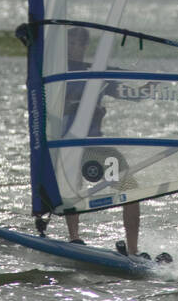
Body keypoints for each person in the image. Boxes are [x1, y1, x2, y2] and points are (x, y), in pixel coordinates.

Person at [62, 26, 146, 257]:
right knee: (71, 186)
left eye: (77, 44)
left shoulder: (97, 74)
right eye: (69, 43)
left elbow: (133, 95)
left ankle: (133, 250)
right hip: (66, 148)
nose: (72, 48)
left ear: (84, 47)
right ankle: (74, 237)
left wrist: (153, 85)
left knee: (130, 189)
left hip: (95, 148)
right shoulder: (56, 73)